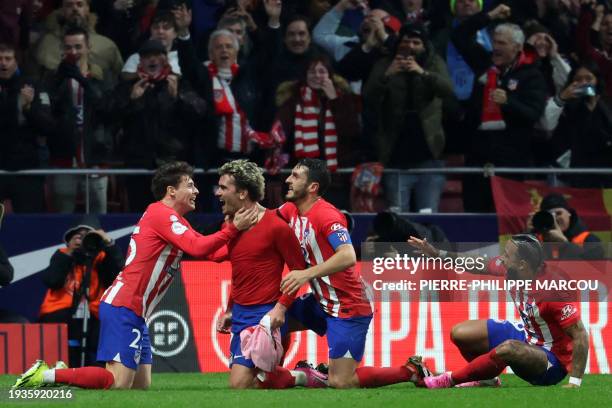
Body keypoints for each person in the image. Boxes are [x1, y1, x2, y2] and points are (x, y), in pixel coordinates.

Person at [13, 161, 257, 390]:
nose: (196, 191)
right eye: (190, 185)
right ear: (171, 191)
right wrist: (234, 229)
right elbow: (198, 247)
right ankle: (47, 374)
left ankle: (60, 371)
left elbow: (212, 253)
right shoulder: (161, 214)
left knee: (140, 386)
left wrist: (243, 239)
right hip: (124, 305)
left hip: (137, 311)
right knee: (117, 383)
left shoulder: (173, 219)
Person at [266, 158, 429, 389]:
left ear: (313, 187)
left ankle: (410, 371)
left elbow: (348, 255)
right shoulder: (291, 210)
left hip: (349, 305)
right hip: (321, 301)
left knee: (341, 381)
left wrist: (305, 275)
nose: (287, 180)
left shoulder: (326, 216)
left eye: (295, 176)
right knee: (273, 318)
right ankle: (276, 375)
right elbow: (265, 219)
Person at [407, 233, 589, 388]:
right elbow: (476, 263)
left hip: (551, 361)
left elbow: (580, 334)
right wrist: (437, 253)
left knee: (509, 348)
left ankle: (447, 380)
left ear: (522, 265)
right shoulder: (511, 269)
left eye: (507, 255)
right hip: (527, 336)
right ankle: (487, 379)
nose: (501, 258)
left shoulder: (553, 290)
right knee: (460, 333)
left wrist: (575, 382)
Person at [209, 160, 325, 388]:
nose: (217, 192)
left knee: (241, 385)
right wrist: (231, 309)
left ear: (242, 193)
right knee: (253, 383)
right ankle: (297, 373)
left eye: (223, 188)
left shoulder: (276, 227)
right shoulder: (231, 225)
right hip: (241, 314)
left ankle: (305, 376)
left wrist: (281, 308)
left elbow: (299, 272)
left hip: (265, 314)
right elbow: (236, 268)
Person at [451, 4, 548, 212]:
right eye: (494, 41)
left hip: (510, 164)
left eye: (502, 43)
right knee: (474, 221)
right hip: (477, 160)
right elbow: (459, 35)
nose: (496, 47)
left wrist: (509, 102)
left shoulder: (532, 76)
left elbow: (533, 114)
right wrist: (490, 15)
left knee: (507, 221)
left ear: (517, 48)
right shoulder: (485, 63)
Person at [363, 22, 453, 212]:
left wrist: (422, 73)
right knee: (398, 217)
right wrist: (387, 75)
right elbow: (369, 96)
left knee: (429, 214)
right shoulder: (385, 63)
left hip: (429, 154)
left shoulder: (434, 62)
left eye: (415, 42)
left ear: (424, 45)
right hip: (394, 155)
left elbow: (448, 90)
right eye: (405, 41)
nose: (410, 46)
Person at [45, 26, 114, 214]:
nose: (73, 52)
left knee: (99, 215)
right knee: (62, 215)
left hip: (95, 156)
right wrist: (59, 81)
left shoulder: (103, 77)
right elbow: (48, 113)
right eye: (68, 48)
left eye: (78, 46)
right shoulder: (54, 79)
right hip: (64, 156)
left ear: (88, 47)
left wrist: (84, 81)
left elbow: (108, 111)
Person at [38, 220, 123, 367]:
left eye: (86, 237)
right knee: (62, 328)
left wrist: (109, 244)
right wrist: (70, 255)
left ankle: (99, 376)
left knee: (107, 328)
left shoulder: (101, 258)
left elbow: (119, 275)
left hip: (94, 313)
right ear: (68, 243)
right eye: (77, 237)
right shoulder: (62, 255)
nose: (81, 240)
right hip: (60, 310)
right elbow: (51, 280)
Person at [0, 41, 53, 213]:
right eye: (0, 59)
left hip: (27, 168)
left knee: (30, 224)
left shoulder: (32, 86)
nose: (3, 63)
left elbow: (47, 127)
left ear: (16, 61)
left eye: (8, 58)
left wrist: (29, 108)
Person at [34, 0, 123, 83]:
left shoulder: (106, 46)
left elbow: (120, 80)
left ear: (87, 9)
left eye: (79, 4)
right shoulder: (46, 44)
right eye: (69, 5)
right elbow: (33, 79)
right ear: (62, 10)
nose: (75, 9)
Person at [530, 193, 605, 260]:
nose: (555, 219)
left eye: (558, 213)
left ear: (569, 213)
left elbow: (594, 270)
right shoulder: (536, 239)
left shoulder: (589, 240)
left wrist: (565, 244)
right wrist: (528, 232)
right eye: (549, 215)